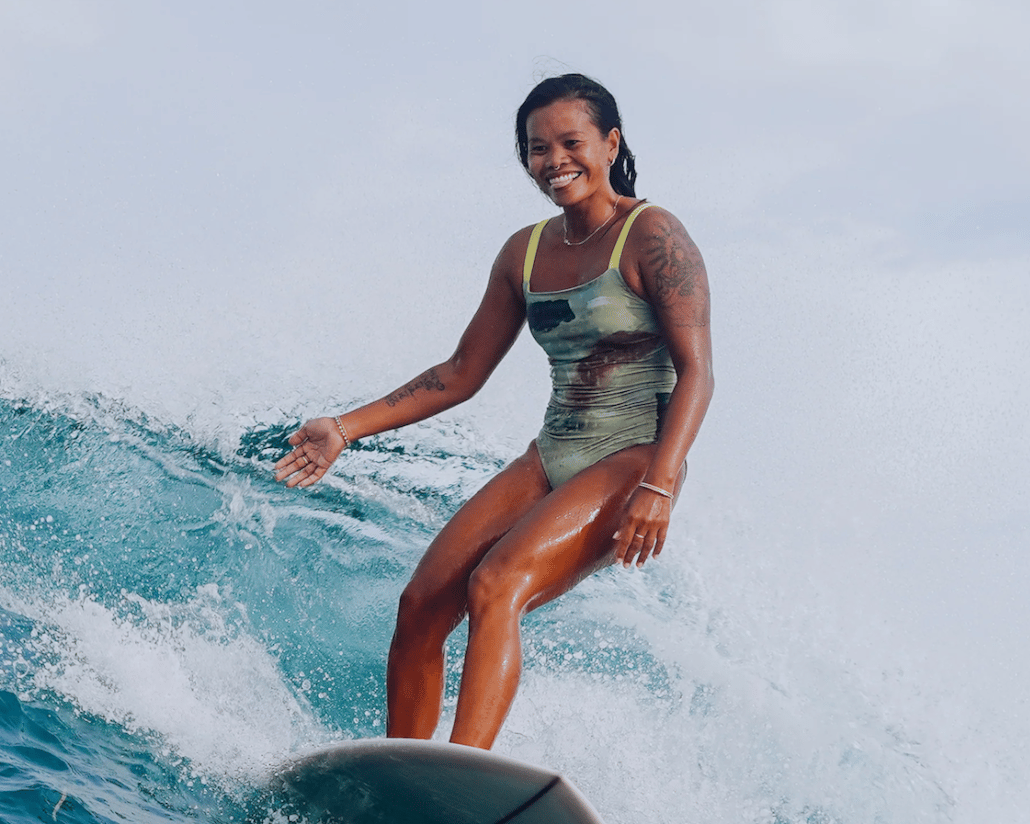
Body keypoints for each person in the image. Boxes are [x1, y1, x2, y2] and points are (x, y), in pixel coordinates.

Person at [274, 73, 713, 750]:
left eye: (571, 141)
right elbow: (460, 373)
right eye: (538, 148)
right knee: (421, 605)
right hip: (553, 453)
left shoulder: (653, 234)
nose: (554, 159)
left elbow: (698, 372)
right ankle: (404, 768)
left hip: (635, 455)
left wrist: (659, 483)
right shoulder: (525, 252)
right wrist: (345, 428)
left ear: (610, 143)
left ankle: (463, 770)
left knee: (496, 583)